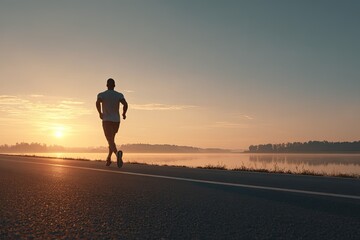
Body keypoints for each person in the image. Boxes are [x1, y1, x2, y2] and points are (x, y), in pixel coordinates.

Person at [96, 78, 128, 168]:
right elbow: (125, 104)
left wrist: (100, 113)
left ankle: (117, 154)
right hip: (116, 121)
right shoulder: (119, 95)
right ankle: (109, 159)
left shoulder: (102, 94)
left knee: (110, 140)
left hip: (106, 120)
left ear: (106, 85)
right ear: (114, 85)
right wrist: (124, 114)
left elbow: (97, 102)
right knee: (111, 140)